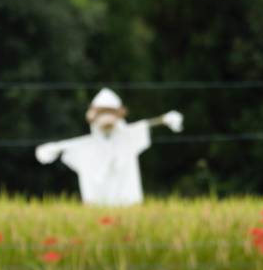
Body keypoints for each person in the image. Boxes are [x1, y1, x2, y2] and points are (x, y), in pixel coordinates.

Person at [35, 87, 183, 206]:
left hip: (129, 205)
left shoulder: (129, 137)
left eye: (110, 111)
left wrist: (164, 120)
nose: (106, 117)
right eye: (102, 112)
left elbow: (147, 124)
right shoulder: (85, 146)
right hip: (96, 208)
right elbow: (66, 146)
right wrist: (54, 148)